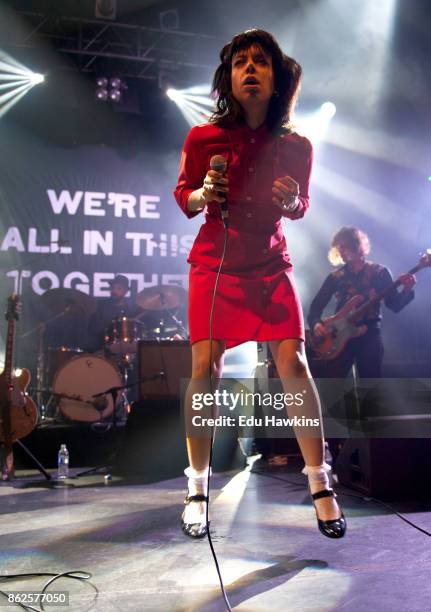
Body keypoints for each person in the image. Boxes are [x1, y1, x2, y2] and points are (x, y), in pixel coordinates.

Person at [174, 29, 345, 539]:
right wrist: (205, 192)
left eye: (261, 62)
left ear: (278, 78)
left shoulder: (297, 145)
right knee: (205, 367)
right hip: (215, 264)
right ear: (229, 78)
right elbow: (183, 196)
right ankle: (198, 488)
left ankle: (320, 481)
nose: (251, 69)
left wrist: (292, 202)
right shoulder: (202, 138)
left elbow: (302, 206)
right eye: (241, 62)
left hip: (270, 263)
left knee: (292, 360)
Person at [307, 226, 416, 379]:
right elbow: (315, 307)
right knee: (331, 387)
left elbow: (394, 305)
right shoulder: (336, 277)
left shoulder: (380, 272)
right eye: (339, 248)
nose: (341, 252)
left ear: (357, 246)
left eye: (345, 247)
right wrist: (316, 324)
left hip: (369, 334)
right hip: (339, 335)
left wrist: (406, 290)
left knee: (370, 388)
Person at [88, 274, 141, 351]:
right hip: (102, 347)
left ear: (126, 291)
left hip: (125, 348)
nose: (114, 291)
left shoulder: (129, 310)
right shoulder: (101, 306)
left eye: (119, 288)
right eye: (112, 288)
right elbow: (92, 329)